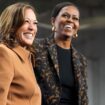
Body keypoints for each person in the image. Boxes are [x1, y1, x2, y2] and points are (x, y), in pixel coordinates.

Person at [35, 2, 88, 105]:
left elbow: (83, 98)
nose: (70, 20)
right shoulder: (37, 48)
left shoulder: (81, 60)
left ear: (78, 26)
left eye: (75, 18)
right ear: (53, 21)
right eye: (65, 15)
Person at [0, 2, 41, 105]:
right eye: (26, 21)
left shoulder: (27, 58)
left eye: (35, 23)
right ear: (12, 26)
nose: (32, 28)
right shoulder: (4, 53)